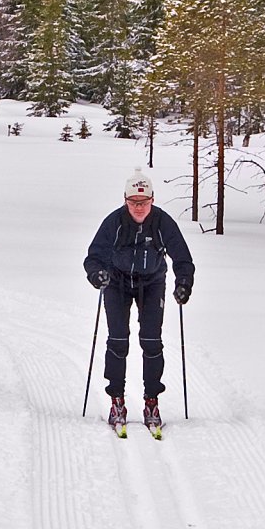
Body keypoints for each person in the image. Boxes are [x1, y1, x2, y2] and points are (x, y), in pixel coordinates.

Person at [83, 168, 194, 433]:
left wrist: (183, 284)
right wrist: (97, 275)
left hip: (152, 283)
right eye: (134, 202)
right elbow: (93, 257)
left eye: (144, 203)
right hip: (117, 283)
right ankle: (117, 401)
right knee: (118, 340)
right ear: (125, 200)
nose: (139, 208)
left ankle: (151, 402)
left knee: (152, 341)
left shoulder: (162, 222)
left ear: (152, 200)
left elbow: (182, 258)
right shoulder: (115, 222)